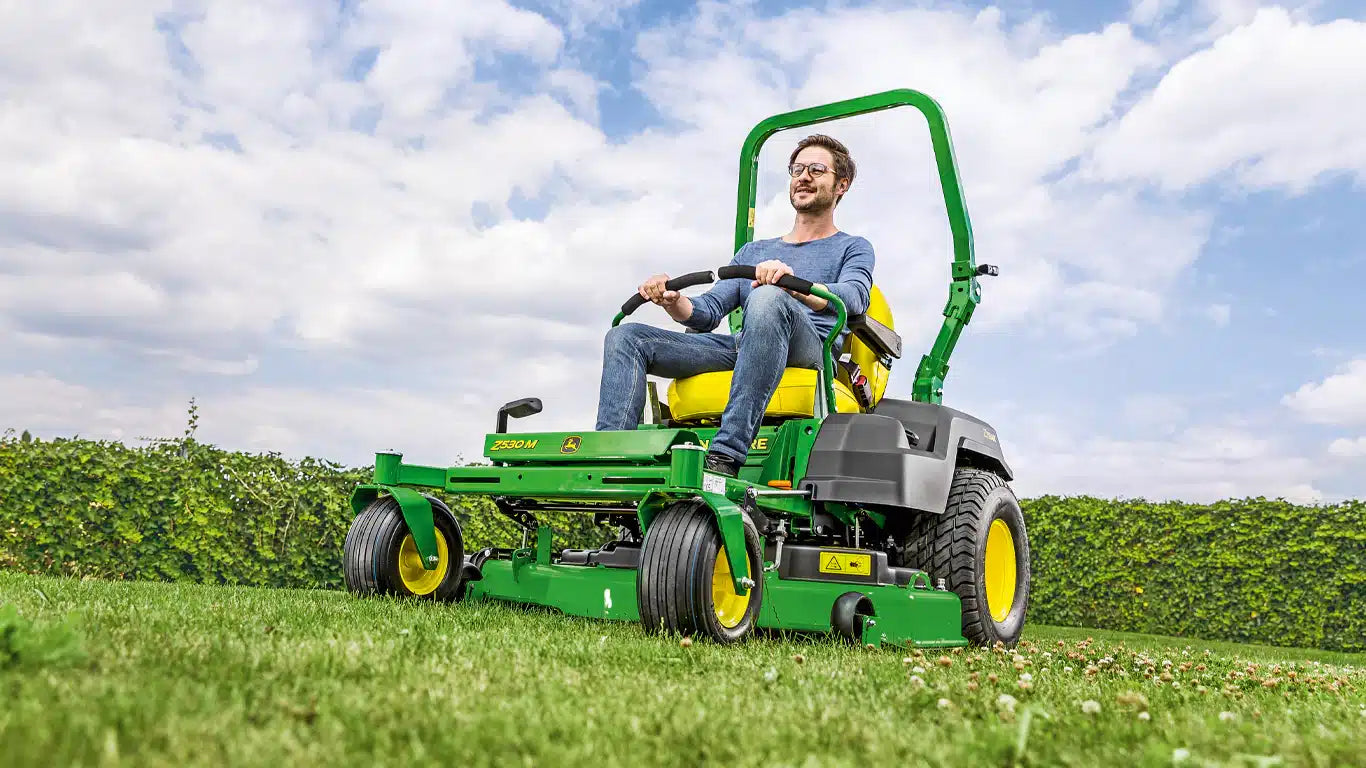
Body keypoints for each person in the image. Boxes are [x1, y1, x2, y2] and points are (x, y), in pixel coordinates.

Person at [595, 134, 875, 477]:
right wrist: (674, 300)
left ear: (841, 185)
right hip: (746, 346)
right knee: (626, 337)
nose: (803, 177)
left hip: (810, 350)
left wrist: (794, 287)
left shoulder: (853, 247)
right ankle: (611, 460)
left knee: (769, 296)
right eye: (797, 169)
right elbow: (708, 312)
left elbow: (855, 296)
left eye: (817, 170)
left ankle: (726, 454)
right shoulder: (753, 253)